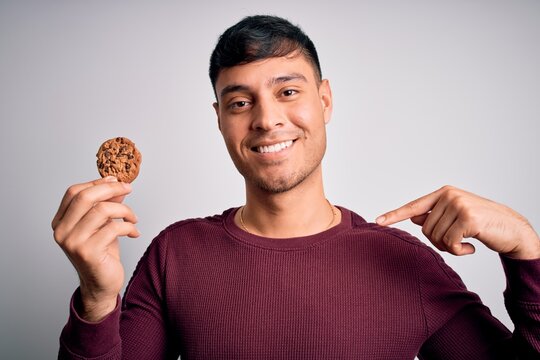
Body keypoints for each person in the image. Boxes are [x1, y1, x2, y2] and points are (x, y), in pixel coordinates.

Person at [53, 15, 540, 359]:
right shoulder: (175, 254)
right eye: (240, 102)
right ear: (220, 119)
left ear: (324, 100)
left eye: (288, 92)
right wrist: (96, 303)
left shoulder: (403, 263)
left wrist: (527, 252)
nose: (267, 120)